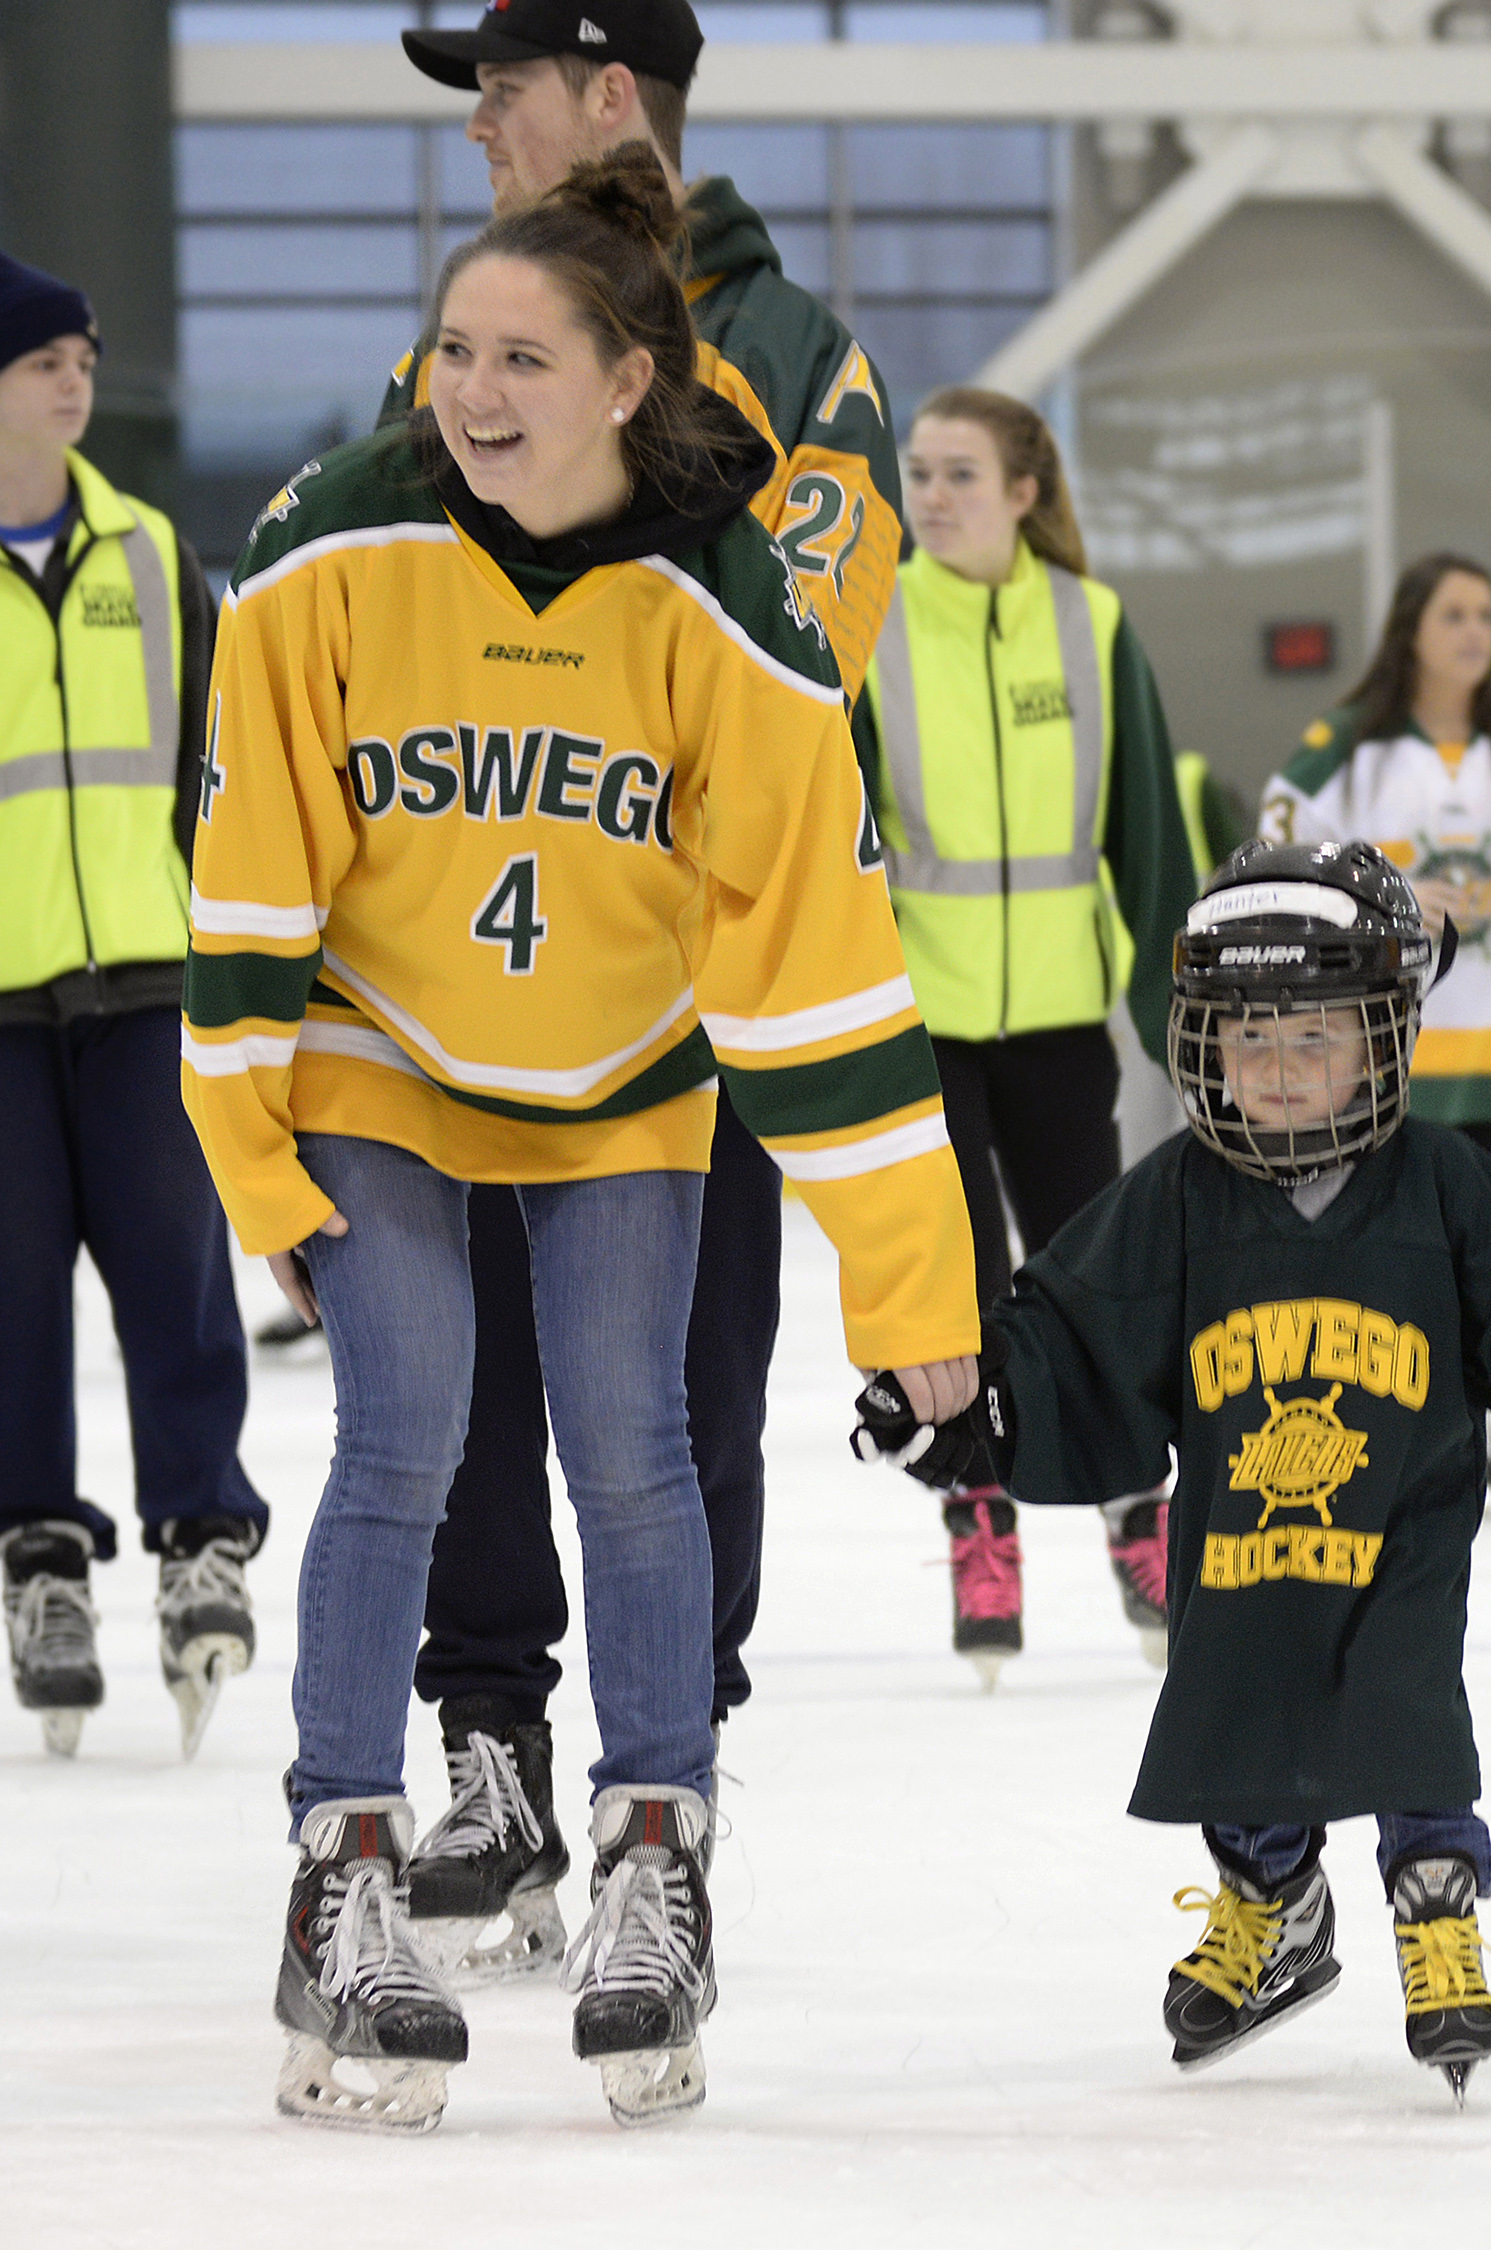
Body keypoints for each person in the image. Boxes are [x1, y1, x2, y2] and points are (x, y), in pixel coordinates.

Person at [182, 151, 980, 2134]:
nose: (471, 388)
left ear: (632, 378)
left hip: (629, 1070)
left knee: (635, 1443)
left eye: (523, 355)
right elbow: (251, 884)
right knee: (405, 1429)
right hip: (380, 1055)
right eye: (454, 348)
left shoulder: (742, 615)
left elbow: (820, 978)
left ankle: (654, 1854)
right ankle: (343, 1873)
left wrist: (914, 1291)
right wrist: (256, 1161)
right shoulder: (320, 551)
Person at [366, 0, 911, 1980]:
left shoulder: (797, 364)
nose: (479, 133)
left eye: (499, 92)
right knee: (461, 1389)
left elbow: (795, 667)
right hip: (451, 981)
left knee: (681, 1405)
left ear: (611, 95)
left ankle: (660, 1794)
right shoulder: (462, 334)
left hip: (694, 1001)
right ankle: (493, 1749)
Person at [855, 841, 1491, 2104]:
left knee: (1407, 1706)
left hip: (1400, 1536)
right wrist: (973, 1417)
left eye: (1315, 1040)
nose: (1282, 1073)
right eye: (1250, 1044)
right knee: (1236, 1704)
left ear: (1380, 1040)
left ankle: (1434, 1908)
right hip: (1239, 1542)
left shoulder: (1445, 1185)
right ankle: (1275, 1902)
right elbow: (1073, 1337)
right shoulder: (1179, 1201)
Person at [874, 386, 1192, 1682]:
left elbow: (1152, 847)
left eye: (960, 474)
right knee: (955, 1293)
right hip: (920, 1029)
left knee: (1089, 1287)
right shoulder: (871, 623)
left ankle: (1136, 1507)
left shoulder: (1093, 623)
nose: (931, 496)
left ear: (1023, 489)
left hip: (1064, 1020)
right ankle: (981, 1514)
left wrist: (1186, 1037)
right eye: (919, 474)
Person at [0, 254, 268, 1762]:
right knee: (10, 1292)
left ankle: (199, 1538)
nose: (76, 375)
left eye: (86, 355)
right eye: (46, 357)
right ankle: (39, 1556)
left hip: (150, 983)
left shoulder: (156, 556)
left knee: (177, 1268)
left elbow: (214, 785)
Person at [1260, 553, 1491, 1517]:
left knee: (1471, 1235)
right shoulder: (1352, 743)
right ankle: (1356, 1410)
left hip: (1488, 1031)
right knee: (1371, 1230)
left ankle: (1474, 1418)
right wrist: (1391, 891)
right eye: (1454, 614)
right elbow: (1281, 841)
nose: (1474, 633)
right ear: (1411, 627)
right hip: (1384, 1038)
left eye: (1487, 616)